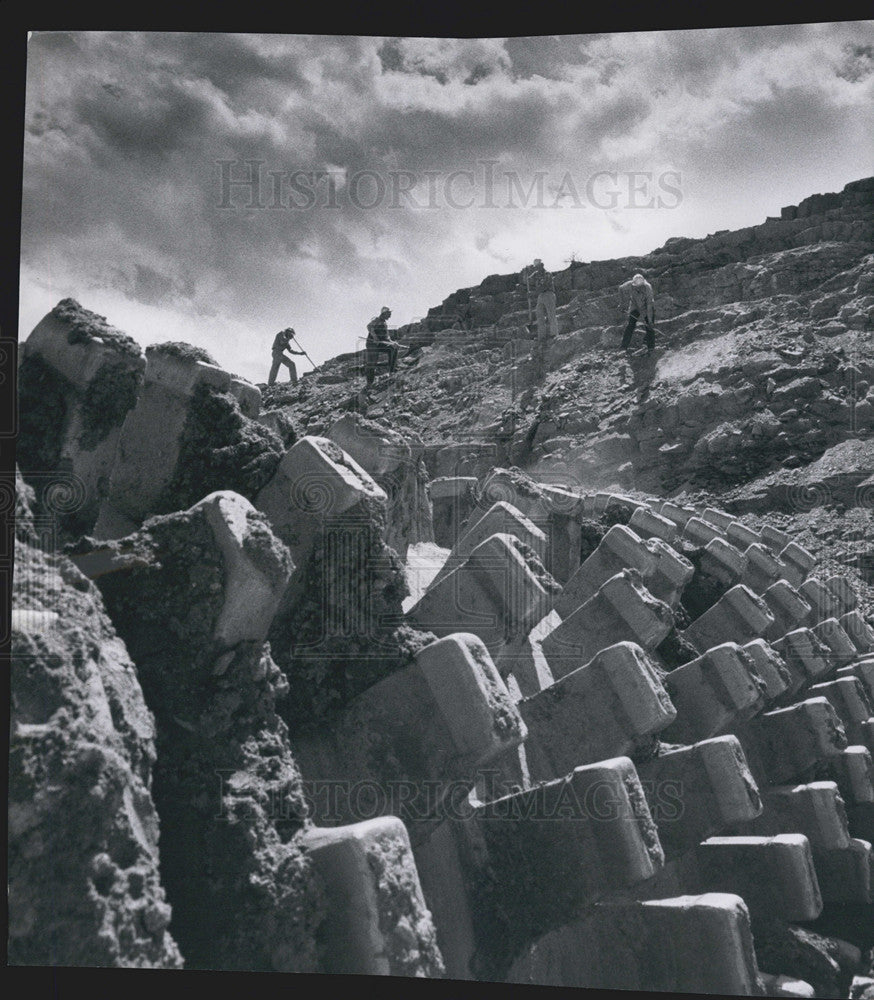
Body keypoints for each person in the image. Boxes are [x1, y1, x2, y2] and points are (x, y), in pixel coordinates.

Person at [619, 273, 657, 353]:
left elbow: (649, 306)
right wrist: (622, 304)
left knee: (650, 327)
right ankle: (623, 347)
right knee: (630, 325)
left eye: (640, 287)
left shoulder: (648, 288)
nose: (639, 288)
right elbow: (620, 288)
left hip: (647, 307)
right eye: (637, 287)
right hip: (635, 306)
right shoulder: (629, 285)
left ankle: (651, 348)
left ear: (643, 283)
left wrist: (649, 321)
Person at [522, 259, 558, 343]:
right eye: (536, 267)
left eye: (538, 266)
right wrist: (526, 272)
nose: (537, 268)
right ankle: (542, 336)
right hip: (540, 295)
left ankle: (554, 334)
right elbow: (526, 280)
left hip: (548, 294)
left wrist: (533, 293)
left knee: (551, 314)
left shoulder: (547, 274)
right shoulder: (536, 274)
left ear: (542, 265)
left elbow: (544, 286)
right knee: (539, 315)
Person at [365, 306, 400, 387]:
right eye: (389, 314)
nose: (390, 315)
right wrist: (375, 337)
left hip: (380, 343)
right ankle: (369, 383)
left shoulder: (384, 323)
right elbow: (369, 326)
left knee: (393, 349)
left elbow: (387, 337)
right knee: (372, 363)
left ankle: (392, 371)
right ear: (384, 314)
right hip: (372, 344)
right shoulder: (377, 320)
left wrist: (393, 343)